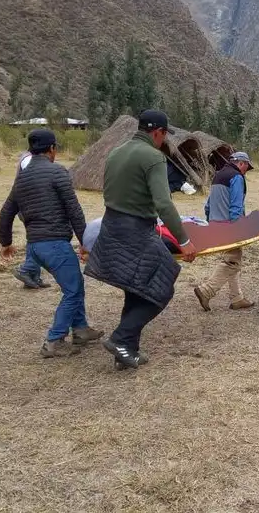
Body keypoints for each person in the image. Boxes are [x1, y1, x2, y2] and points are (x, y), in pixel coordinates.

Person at [85, 109, 197, 369]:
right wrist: (183, 240)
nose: (163, 140)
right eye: (164, 135)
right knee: (164, 285)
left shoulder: (116, 152)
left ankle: (126, 352)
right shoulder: (153, 157)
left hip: (111, 225)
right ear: (158, 132)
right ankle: (121, 339)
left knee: (136, 287)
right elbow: (164, 204)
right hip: (136, 229)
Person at [0, 129, 102, 358]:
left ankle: (81, 329)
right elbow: (73, 209)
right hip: (54, 243)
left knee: (73, 285)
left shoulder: (22, 178)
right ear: (52, 149)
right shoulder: (57, 172)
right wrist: (85, 242)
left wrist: (5, 242)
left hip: (35, 246)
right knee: (73, 290)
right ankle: (54, 341)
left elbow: (6, 211)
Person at [193, 151, 256, 311]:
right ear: (242, 163)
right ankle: (206, 290)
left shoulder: (218, 176)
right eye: (246, 167)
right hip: (228, 226)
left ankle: (237, 298)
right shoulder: (236, 177)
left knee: (232, 259)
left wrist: (210, 223)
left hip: (215, 224)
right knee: (232, 262)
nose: (245, 172)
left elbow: (207, 205)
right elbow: (236, 207)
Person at [11, 149, 51, 289]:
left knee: (34, 240)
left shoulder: (28, 158)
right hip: (31, 206)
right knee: (41, 240)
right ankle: (26, 269)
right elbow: (35, 183)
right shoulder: (30, 160)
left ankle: (32, 276)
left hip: (29, 205)